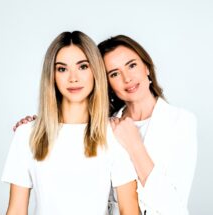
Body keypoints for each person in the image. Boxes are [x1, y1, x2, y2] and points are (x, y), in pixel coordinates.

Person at [14, 34, 198, 215]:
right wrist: (39, 125)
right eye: (114, 73)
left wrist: (135, 146)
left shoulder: (180, 122)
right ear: (105, 81)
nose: (127, 78)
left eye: (132, 65)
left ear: (147, 67)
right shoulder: (107, 124)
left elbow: (175, 207)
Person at [2, 31, 139, 215]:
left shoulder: (115, 134)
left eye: (82, 67)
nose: (73, 78)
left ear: (95, 71)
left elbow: (129, 209)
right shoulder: (26, 134)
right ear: (52, 75)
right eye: (62, 69)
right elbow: (16, 210)